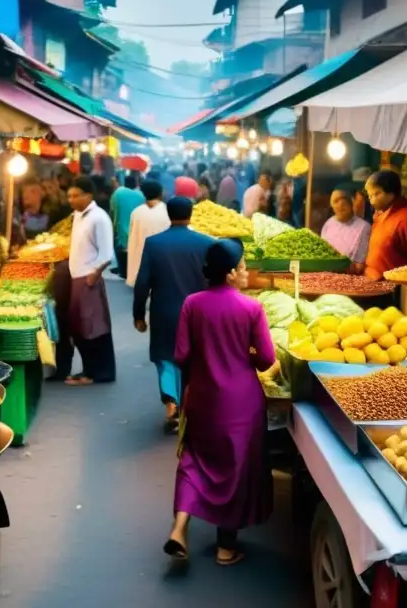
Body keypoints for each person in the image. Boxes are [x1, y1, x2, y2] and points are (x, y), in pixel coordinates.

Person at [164, 239, 275, 566]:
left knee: (193, 462)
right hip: (241, 403)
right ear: (228, 274)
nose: (245, 273)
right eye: (242, 268)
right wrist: (247, 351)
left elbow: (181, 355)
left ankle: (179, 528)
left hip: (201, 397)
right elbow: (266, 359)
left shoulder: (192, 304)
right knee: (235, 470)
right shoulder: (251, 308)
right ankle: (226, 548)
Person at [133, 197, 214, 431]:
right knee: (194, 358)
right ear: (191, 214)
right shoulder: (206, 243)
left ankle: (171, 402)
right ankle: (192, 405)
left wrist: (139, 315)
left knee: (165, 357)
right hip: (198, 312)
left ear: (168, 214)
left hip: (164, 312)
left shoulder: (154, 244)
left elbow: (142, 283)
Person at [63, 176, 117, 385]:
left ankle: (99, 372)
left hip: (88, 279)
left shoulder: (99, 217)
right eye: (69, 195)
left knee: (94, 328)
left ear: (88, 196)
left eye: (75, 195)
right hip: (76, 277)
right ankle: (89, 370)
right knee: (79, 328)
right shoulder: (78, 215)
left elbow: (106, 254)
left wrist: (93, 275)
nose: (71, 200)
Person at [359, 170, 407, 280]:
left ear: (392, 193)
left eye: (377, 193)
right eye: (370, 195)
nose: (372, 199)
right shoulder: (379, 216)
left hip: (394, 289)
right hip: (372, 282)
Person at [126, 180, 171, 287]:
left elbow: (132, 237)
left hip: (140, 260)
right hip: (162, 260)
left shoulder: (136, 212)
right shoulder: (167, 211)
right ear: (160, 194)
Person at [321, 187, 371, 262]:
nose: (340, 204)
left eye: (344, 200)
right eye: (336, 201)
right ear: (332, 206)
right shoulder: (328, 224)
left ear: (351, 203)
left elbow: (363, 260)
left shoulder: (364, 227)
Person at [110, 173, 145, 278]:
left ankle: (123, 270)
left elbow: (112, 210)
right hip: (137, 228)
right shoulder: (141, 195)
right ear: (136, 183)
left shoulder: (118, 193)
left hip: (121, 227)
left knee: (121, 249)